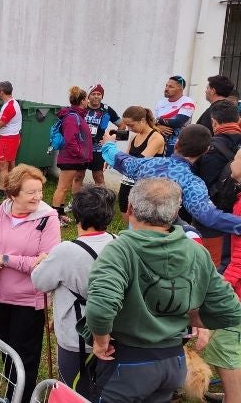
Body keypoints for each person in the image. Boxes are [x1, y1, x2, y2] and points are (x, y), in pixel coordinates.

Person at [87, 178, 241, 402]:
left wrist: (100, 341)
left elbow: (100, 308)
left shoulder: (120, 250)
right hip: (173, 363)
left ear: (129, 207)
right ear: (175, 211)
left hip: (128, 362)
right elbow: (230, 309)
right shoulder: (196, 251)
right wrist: (190, 317)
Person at [0, 164, 60, 403]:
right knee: (8, 353)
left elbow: (46, 261)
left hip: (28, 301)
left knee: (25, 358)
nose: (38, 197)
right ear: (13, 194)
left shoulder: (48, 219)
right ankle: (13, 396)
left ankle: (20, 400)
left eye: (40, 191)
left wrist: (4, 259)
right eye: (31, 192)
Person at [30, 185, 117, 400]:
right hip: (113, 333)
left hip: (76, 337)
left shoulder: (66, 251)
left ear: (78, 215)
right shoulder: (119, 243)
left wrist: (42, 263)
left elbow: (40, 281)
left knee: (73, 392)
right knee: (103, 390)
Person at [101, 124, 241, 237]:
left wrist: (109, 144)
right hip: (165, 241)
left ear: (176, 144)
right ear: (206, 151)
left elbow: (119, 159)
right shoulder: (191, 182)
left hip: (136, 233)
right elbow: (209, 216)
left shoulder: (146, 164)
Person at [208, 148, 241, 403]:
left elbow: (239, 258)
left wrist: (222, 289)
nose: (232, 162)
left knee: (225, 344)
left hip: (237, 290)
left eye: (238, 158)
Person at [194, 99, 241, 265]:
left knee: (210, 268)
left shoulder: (208, 149)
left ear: (213, 122)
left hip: (212, 222)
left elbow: (202, 188)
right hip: (237, 214)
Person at [115, 106, 165, 221]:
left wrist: (116, 158)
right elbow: (126, 158)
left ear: (142, 121)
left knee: (141, 219)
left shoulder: (156, 138)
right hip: (127, 181)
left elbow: (139, 163)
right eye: (127, 125)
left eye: (131, 125)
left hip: (145, 185)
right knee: (124, 210)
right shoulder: (134, 136)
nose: (129, 128)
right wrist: (114, 159)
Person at [51, 86, 93, 226]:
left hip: (75, 158)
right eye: (86, 99)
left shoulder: (78, 115)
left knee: (65, 187)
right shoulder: (71, 117)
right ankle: (55, 218)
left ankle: (61, 214)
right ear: (82, 101)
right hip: (71, 158)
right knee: (62, 187)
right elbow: (70, 140)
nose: (88, 101)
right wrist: (79, 154)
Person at [154, 75, 196, 156]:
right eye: (166, 86)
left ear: (180, 88)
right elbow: (151, 123)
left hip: (177, 144)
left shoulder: (188, 101)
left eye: (171, 87)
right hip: (158, 142)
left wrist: (157, 121)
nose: (166, 88)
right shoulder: (160, 103)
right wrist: (157, 127)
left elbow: (178, 122)